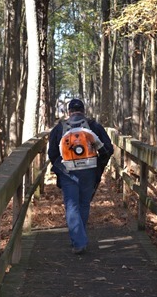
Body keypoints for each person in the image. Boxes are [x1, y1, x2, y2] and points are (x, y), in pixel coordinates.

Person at [48, 98, 114, 254]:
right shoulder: (93, 126)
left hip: (68, 172)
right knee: (84, 204)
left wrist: (60, 167)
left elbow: (52, 153)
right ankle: (79, 239)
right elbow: (108, 149)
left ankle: (78, 241)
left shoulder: (59, 128)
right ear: (83, 111)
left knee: (72, 206)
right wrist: (98, 165)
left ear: (69, 112)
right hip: (89, 170)